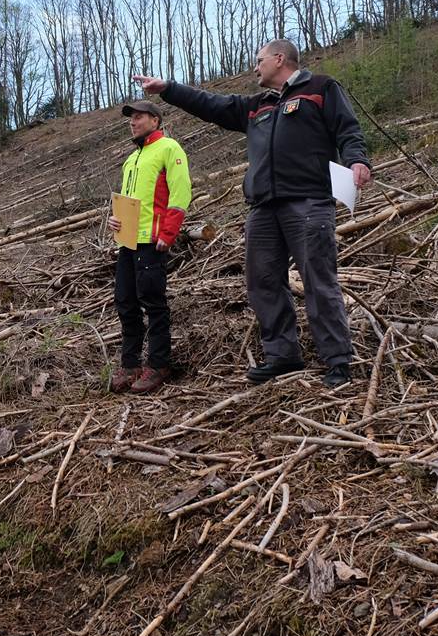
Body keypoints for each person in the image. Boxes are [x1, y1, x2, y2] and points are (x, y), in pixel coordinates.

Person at [134, 39, 373, 388]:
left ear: (279, 59)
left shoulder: (321, 88)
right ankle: (282, 356)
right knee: (262, 282)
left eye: (259, 60)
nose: (255, 67)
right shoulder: (256, 105)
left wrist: (357, 159)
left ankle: (337, 360)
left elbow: (348, 130)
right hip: (262, 209)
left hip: (308, 202)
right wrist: (168, 89)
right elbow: (211, 104)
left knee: (319, 281)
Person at [105, 100, 191, 394]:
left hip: (152, 242)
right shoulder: (132, 159)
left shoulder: (169, 149)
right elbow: (129, 201)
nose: (133, 122)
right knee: (125, 301)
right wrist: (115, 220)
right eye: (131, 118)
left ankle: (158, 364)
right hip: (128, 241)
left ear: (155, 120)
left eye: (139, 117)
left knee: (153, 302)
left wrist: (168, 233)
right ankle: (130, 364)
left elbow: (181, 195)